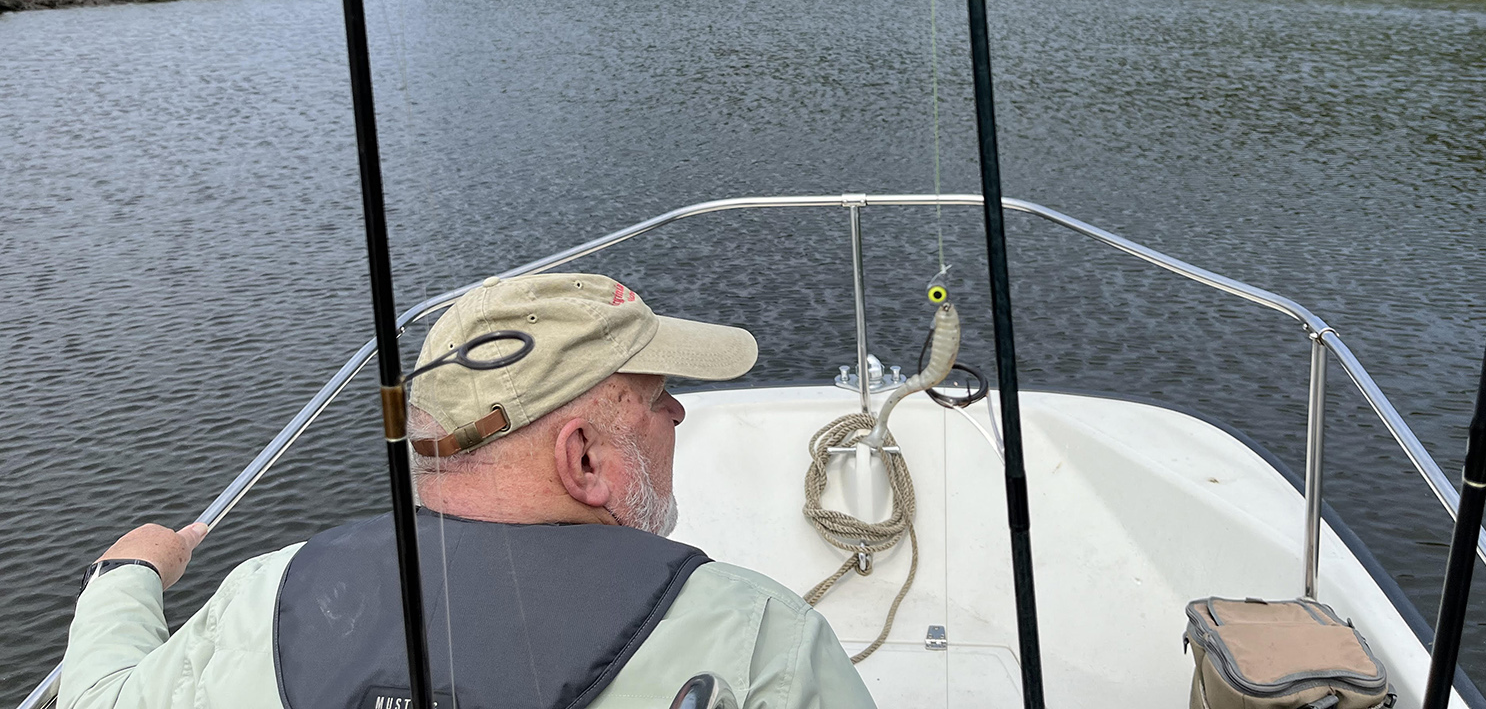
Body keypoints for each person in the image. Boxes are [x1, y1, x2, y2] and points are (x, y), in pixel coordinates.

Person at [60, 272, 876, 709]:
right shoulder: (763, 641)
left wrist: (126, 572)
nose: (677, 409)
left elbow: (96, 698)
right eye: (653, 395)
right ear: (583, 460)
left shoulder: (262, 597)